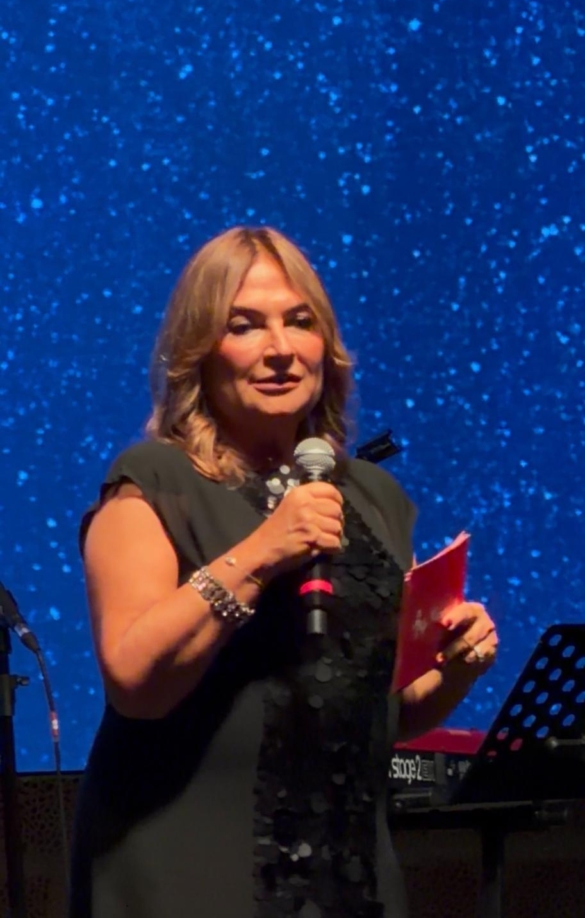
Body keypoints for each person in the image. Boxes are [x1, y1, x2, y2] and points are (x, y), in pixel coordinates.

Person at [69, 225, 498, 918]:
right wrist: (261, 553)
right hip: (186, 867)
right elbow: (134, 683)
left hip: (349, 869)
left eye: (299, 322)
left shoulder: (373, 498)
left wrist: (456, 665)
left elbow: (388, 711)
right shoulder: (154, 482)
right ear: (200, 351)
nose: (279, 349)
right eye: (244, 326)